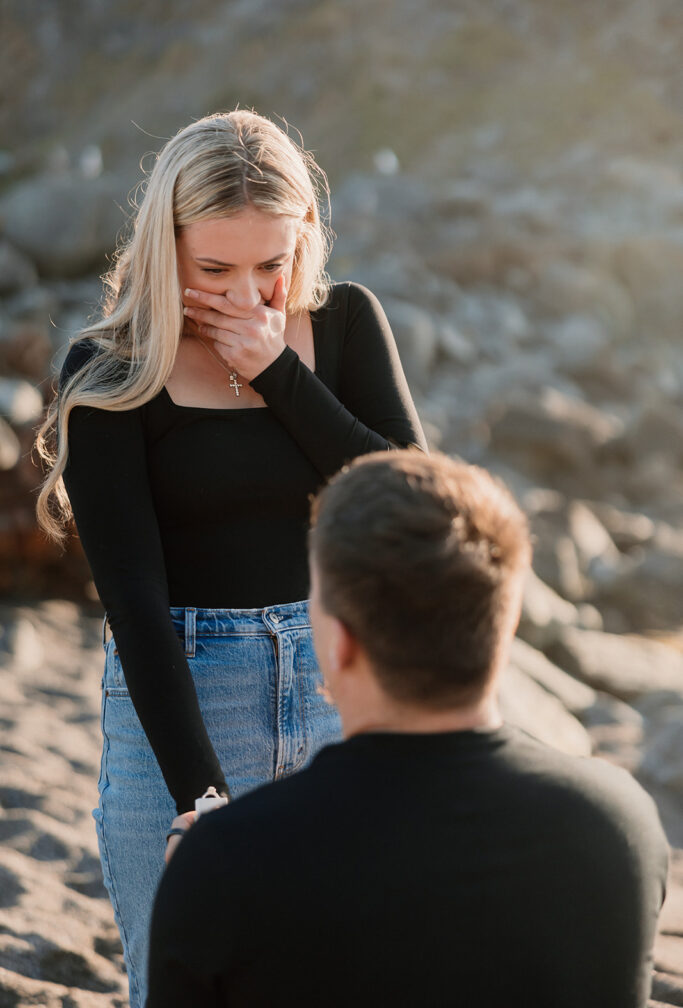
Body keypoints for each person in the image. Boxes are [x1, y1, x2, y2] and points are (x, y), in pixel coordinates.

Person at [35, 110, 426, 1008]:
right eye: (214, 269)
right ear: (164, 247)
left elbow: (412, 504)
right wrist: (199, 798)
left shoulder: (347, 325)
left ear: (306, 240)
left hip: (343, 693)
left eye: (272, 265)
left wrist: (278, 372)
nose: (248, 294)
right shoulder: (106, 369)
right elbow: (132, 599)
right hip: (181, 695)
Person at [148, 449, 668, 1008]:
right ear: (505, 623)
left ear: (339, 642)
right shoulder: (621, 824)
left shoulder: (228, 863)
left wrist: (193, 885)